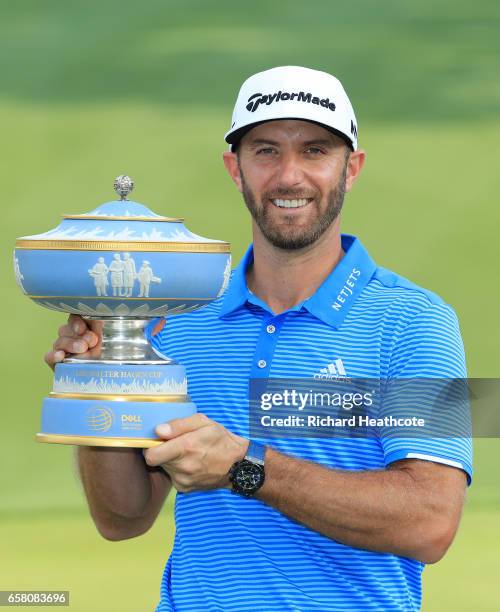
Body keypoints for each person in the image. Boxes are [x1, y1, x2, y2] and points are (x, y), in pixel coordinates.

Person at [45, 66, 472, 611]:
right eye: (266, 151)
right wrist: (97, 387)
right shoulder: (177, 316)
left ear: (352, 168)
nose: (289, 176)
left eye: (315, 151)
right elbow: (122, 519)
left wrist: (245, 466)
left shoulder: (418, 320)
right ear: (235, 168)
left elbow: (431, 523)